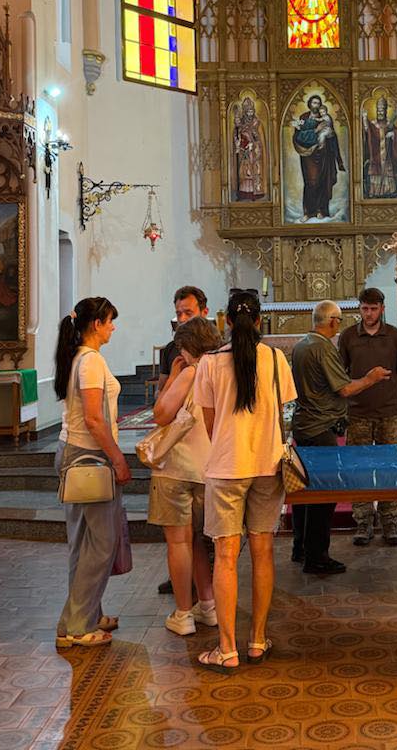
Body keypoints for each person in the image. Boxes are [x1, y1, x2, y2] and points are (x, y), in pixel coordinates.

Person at [191, 290, 296, 672]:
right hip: (267, 465)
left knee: (225, 556)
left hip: (226, 466)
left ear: (228, 321)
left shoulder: (209, 362)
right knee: (263, 551)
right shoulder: (275, 358)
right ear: (259, 321)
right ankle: (257, 640)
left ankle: (226, 649)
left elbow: (208, 422)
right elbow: (283, 410)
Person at [290, 301, 391, 573]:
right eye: (340, 320)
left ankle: (300, 547)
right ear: (333, 321)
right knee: (325, 493)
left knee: (305, 490)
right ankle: (317, 557)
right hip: (320, 427)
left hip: (304, 425)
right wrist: (370, 378)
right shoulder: (322, 348)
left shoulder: (301, 344)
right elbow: (344, 389)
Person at [53, 297, 131, 649]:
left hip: (74, 453)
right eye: (110, 320)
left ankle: (86, 613)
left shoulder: (79, 357)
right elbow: (94, 419)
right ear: (96, 324)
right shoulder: (91, 361)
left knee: (83, 541)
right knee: (102, 542)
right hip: (88, 458)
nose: (113, 327)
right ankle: (78, 625)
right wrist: (118, 459)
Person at [150, 317, 222, 635]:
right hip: (210, 468)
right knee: (199, 541)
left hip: (178, 468)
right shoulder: (222, 370)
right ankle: (207, 605)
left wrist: (173, 379)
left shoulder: (192, 372)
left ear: (188, 347)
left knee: (179, 542)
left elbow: (161, 414)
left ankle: (182, 613)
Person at [339, 287, 397, 547]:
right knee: (360, 467)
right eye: (365, 309)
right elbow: (340, 373)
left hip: (389, 413)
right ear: (359, 308)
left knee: (390, 466)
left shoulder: (394, 336)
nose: (369, 313)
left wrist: (394, 389)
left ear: (382, 309)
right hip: (358, 412)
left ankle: (390, 519)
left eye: (373, 309)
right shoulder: (349, 336)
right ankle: (363, 520)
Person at [292, 94, 345, 218]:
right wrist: (316, 131)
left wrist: (331, 135)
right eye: (313, 103)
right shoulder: (304, 118)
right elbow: (298, 136)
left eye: (318, 103)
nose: (315, 105)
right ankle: (309, 212)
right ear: (309, 104)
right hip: (308, 155)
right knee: (311, 182)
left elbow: (332, 136)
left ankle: (321, 210)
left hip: (324, 154)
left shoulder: (325, 117)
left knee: (323, 181)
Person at [156, 286, 210, 397]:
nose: (182, 319)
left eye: (188, 313)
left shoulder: (217, 347)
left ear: (204, 313)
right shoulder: (171, 348)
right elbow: (160, 393)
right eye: (178, 314)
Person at [363, 96, 397, 198]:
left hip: (387, 156)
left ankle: (388, 191)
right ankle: (376, 192)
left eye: (382, 110)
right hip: (376, 156)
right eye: (378, 110)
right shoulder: (373, 124)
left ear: (385, 111)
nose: (380, 113)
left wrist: (393, 135)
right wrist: (365, 119)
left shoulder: (389, 123)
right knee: (376, 172)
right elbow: (368, 133)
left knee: (388, 171)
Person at [233, 97, 265, 201]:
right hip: (243, 152)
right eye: (248, 111)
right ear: (244, 112)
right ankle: (243, 193)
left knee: (253, 171)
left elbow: (259, 138)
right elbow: (237, 135)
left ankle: (255, 193)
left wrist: (254, 144)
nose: (250, 114)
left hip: (254, 152)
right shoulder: (240, 123)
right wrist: (238, 140)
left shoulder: (257, 123)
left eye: (251, 111)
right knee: (244, 172)